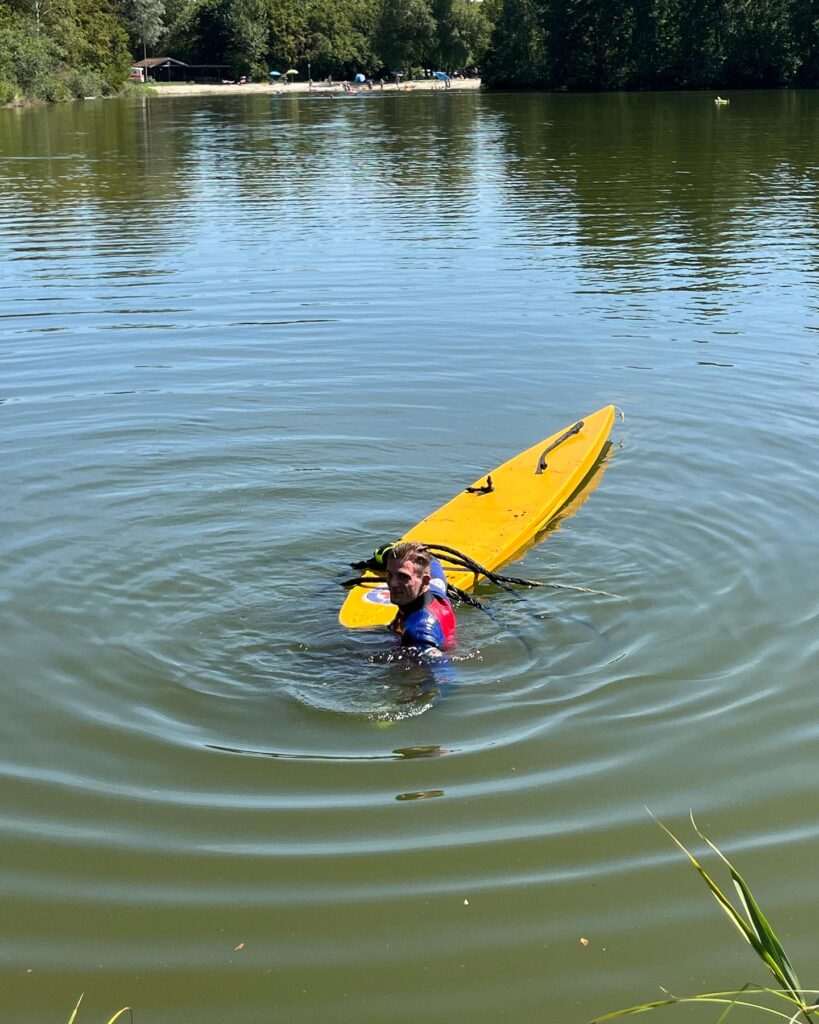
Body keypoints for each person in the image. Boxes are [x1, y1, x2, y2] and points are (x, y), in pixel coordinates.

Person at [384, 542, 456, 651]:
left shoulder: (421, 636)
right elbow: (433, 561)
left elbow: (442, 667)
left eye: (403, 576)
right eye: (390, 574)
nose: (393, 583)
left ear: (425, 581)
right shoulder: (438, 594)